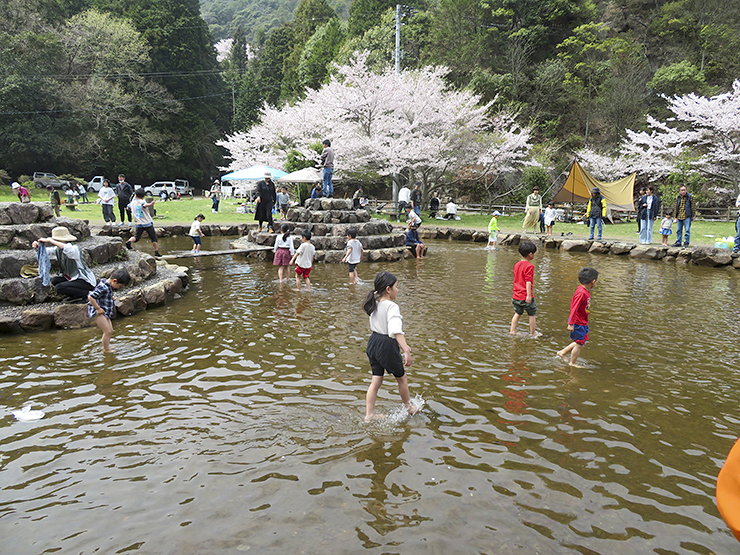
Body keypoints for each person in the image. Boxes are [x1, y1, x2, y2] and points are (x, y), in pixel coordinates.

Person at [363, 271, 418, 421]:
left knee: (376, 381)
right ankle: (409, 408)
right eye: (396, 287)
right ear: (388, 289)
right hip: (387, 344)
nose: (398, 290)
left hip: (373, 342)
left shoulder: (374, 304)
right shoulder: (392, 306)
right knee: (402, 378)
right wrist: (406, 349)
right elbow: (395, 330)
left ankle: (369, 415)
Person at [32, 226, 96, 302]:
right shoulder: (58, 250)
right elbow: (46, 252)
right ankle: (75, 295)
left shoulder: (74, 249)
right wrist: (37, 247)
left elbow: (67, 249)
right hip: (72, 278)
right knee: (55, 281)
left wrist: (50, 241)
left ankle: (88, 294)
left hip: (85, 280)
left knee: (59, 288)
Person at [557, 267, 599, 367]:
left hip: (582, 321)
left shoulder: (582, 290)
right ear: (593, 282)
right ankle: (573, 363)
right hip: (577, 322)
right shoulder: (581, 293)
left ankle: (562, 352)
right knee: (579, 343)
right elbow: (574, 308)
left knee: (581, 341)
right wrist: (571, 323)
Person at [87, 268, 130, 352]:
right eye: (120, 286)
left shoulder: (107, 285)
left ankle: (106, 346)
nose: (119, 288)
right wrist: (98, 308)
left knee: (110, 330)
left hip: (105, 311)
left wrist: (111, 297)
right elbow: (91, 297)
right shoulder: (103, 287)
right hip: (98, 312)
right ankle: (106, 350)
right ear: (114, 280)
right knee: (107, 331)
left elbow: (103, 295)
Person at [510, 241, 538, 337]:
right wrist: (529, 296)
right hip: (525, 295)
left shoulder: (516, 265)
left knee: (517, 313)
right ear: (530, 254)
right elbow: (528, 281)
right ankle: (533, 333)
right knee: (532, 314)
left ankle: (512, 331)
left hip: (516, 295)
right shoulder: (530, 266)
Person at [125, 189, 161, 258]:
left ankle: (129, 241)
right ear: (144, 196)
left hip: (138, 223)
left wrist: (132, 210)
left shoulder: (132, 203)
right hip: (147, 223)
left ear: (135, 195)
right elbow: (144, 205)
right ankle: (156, 252)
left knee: (136, 237)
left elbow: (127, 208)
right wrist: (150, 204)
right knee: (153, 238)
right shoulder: (142, 201)